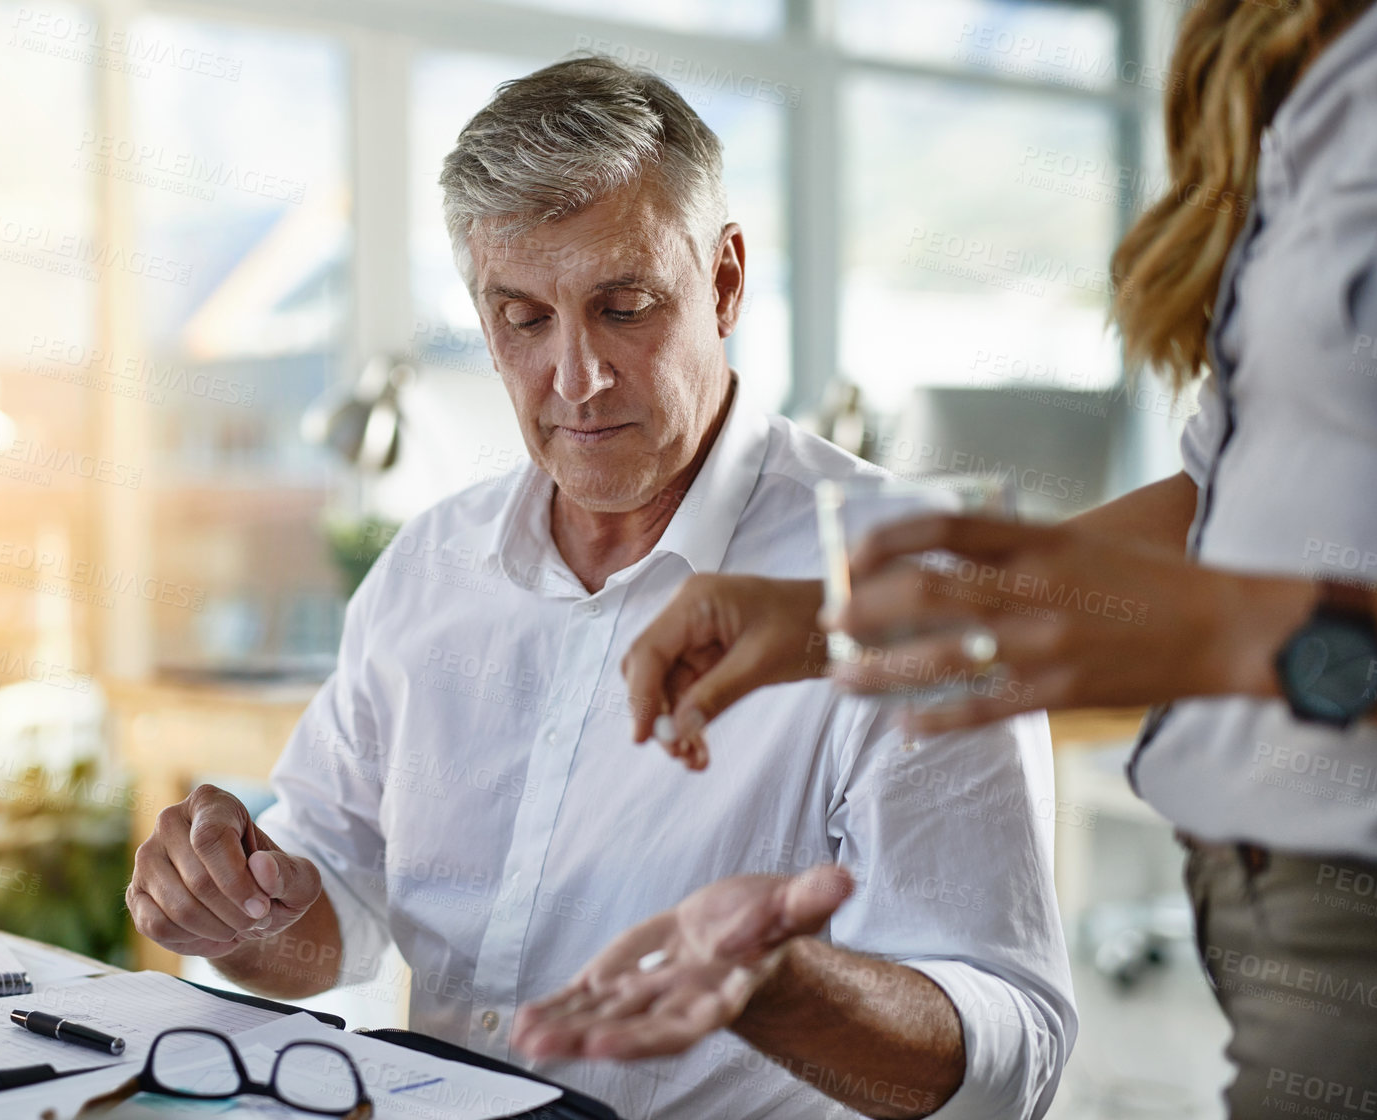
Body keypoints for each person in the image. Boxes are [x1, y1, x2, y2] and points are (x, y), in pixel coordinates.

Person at [128, 57, 1075, 1119]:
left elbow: (1011, 1052)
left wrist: (773, 986)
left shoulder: (902, 578)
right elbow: (333, 907)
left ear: (721, 282)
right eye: (523, 319)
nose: (573, 377)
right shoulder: (425, 572)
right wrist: (239, 908)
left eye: (622, 306)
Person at [514, 3, 1377, 1115]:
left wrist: (1238, 638)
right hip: (1280, 912)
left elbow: (997, 1037)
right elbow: (1229, 500)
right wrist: (849, 615)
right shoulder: (1301, 64)